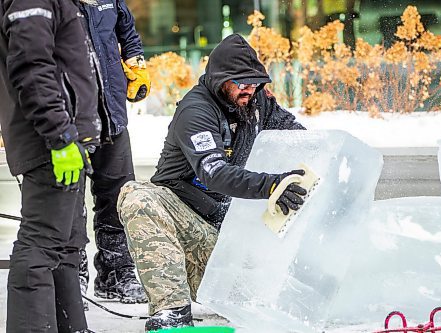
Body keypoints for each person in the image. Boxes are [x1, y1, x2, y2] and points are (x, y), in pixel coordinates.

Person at [117, 33, 307, 330]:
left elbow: (297, 138)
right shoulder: (197, 111)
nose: (250, 89)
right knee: (139, 197)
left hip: (221, 240)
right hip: (181, 222)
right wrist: (271, 185)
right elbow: (214, 173)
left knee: (270, 295)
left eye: (255, 82)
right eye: (241, 82)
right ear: (221, 79)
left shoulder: (256, 103)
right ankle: (172, 310)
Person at [0, 0, 106, 331]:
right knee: (42, 245)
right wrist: (59, 135)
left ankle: (71, 327)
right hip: (49, 140)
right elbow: (31, 66)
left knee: (67, 245)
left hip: (67, 139)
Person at [77, 0, 150, 305]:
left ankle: (115, 275)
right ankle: (72, 278)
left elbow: (127, 31)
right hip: (72, 119)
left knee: (118, 198)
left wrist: (136, 63)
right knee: (68, 206)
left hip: (113, 114)